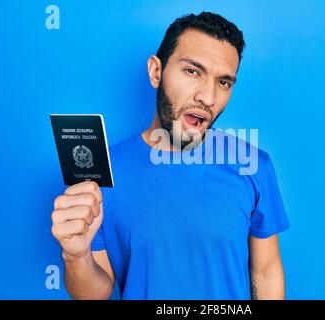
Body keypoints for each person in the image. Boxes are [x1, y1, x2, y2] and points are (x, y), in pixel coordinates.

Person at [51, 12, 290, 300]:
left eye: (224, 82)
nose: (208, 97)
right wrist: (75, 256)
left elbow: (265, 273)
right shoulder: (102, 173)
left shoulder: (254, 166)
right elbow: (95, 294)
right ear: (156, 72)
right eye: (193, 71)